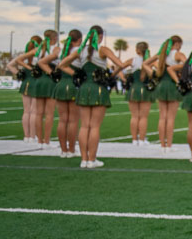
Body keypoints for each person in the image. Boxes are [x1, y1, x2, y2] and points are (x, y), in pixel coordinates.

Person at [60, 25, 123, 169]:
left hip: (84, 88)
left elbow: (62, 65)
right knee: (94, 126)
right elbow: (120, 64)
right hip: (98, 88)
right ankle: (92, 159)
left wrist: (77, 74)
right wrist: (111, 75)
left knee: (84, 126)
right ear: (100, 37)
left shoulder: (80, 50)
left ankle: (83, 160)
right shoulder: (103, 49)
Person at [146, 35, 184, 153]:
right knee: (171, 118)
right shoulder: (177, 54)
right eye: (180, 45)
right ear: (177, 44)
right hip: (172, 85)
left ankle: (162, 145)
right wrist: (176, 69)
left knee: (162, 117)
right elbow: (188, 64)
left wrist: (154, 74)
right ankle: (169, 146)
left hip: (161, 85)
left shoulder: (161, 54)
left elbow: (145, 64)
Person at [48, 29, 82, 158]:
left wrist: (52, 73)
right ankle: (71, 150)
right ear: (79, 40)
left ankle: (63, 150)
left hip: (61, 85)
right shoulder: (79, 51)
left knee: (62, 120)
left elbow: (44, 63)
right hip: (73, 85)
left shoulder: (62, 51)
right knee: (73, 120)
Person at [7, 35, 44, 144]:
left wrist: (19, 73)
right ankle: (32, 136)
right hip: (36, 82)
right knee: (34, 111)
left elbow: (10, 65)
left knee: (26, 111)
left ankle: (26, 136)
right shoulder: (39, 54)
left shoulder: (25, 55)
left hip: (25, 82)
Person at [30, 29, 60, 149]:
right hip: (50, 80)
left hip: (39, 81)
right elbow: (58, 61)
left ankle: (40, 141)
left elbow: (29, 62)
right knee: (49, 113)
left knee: (39, 113)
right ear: (54, 38)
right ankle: (46, 141)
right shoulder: (55, 49)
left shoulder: (38, 50)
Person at [122, 42, 155, 146]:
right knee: (143, 117)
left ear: (137, 50)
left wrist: (124, 79)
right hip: (145, 89)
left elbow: (119, 67)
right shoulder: (150, 61)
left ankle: (134, 140)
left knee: (134, 116)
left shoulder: (132, 60)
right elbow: (159, 71)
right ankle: (141, 139)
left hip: (133, 89)